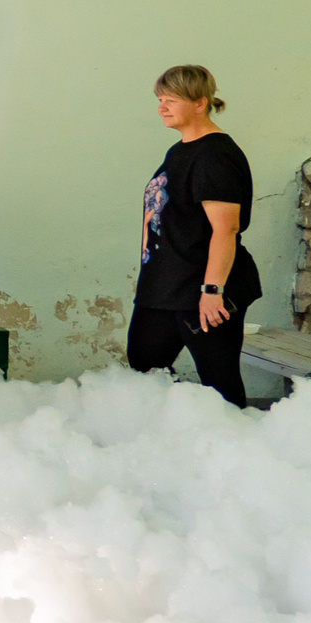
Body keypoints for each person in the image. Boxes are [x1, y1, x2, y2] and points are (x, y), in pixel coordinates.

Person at [127, 64, 259, 407]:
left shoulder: (214, 155)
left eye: (171, 99)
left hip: (200, 289)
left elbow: (226, 228)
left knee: (220, 384)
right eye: (160, 99)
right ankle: (174, 444)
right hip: (164, 286)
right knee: (144, 367)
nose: (162, 107)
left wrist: (212, 290)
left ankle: (236, 451)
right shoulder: (180, 150)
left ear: (200, 103)